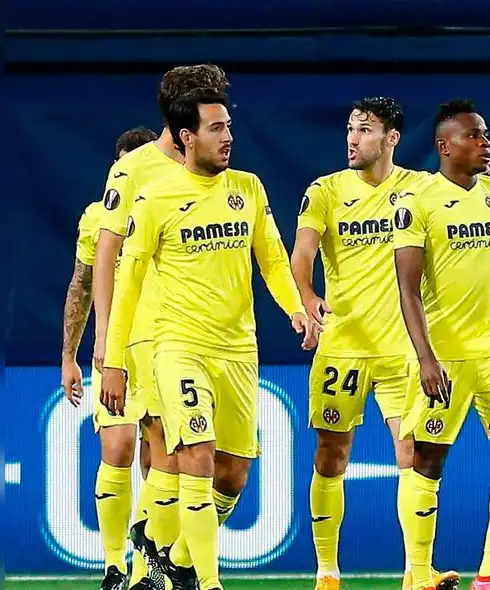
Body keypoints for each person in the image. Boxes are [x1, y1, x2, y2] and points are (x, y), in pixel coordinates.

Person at [101, 87, 317, 590]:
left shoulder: (249, 188)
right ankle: (207, 581)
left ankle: (171, 556)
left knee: (233, 473)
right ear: (187, 137)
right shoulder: (155, 201)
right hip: (178, 347)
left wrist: (296, 308)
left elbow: (270, 257)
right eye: (216, 128)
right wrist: (112, 361)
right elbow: (128, 286)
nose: (228, 138)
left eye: (229, 127)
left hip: (239, 351)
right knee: (196, 453)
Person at [290, 96, 459, 590]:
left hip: (405, 351)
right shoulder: (325, 191)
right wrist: (306, 297)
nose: (352, 138)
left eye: (364, 130)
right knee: (331, 455)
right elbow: (301, 253)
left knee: (412, 453)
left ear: (392, 138)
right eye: (349, 129)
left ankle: (418, 574)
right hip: (343, 346)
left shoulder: (423, 188)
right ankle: (327, 573)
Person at [91, 65, 232, 590]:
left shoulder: (217, 173)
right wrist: (108, 341)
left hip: (209, 336)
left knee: (207, 465)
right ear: (181, 117)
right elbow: (106, 256)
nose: (220, 121)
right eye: (209, 106)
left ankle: (160, 547)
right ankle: (158, 563)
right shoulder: (133, 171)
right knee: (166, 449)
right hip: (149, 331)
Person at [393, 99, 490, 590]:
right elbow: (407, 288)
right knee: (428, 459)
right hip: (445, 352)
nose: (484, 143)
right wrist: (426, 357)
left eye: (486, 135)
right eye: (473, 136)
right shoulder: (418, 200)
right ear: (444, 145)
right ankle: (417, 574)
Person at [60, 125, 158, 590]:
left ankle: (148, 566)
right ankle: (114, 565)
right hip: (115, 351)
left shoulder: (175, 206)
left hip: (165, 347)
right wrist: (69, 356)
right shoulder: (97, 218)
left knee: (158, 464)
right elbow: (80, 286)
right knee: (118, 449)